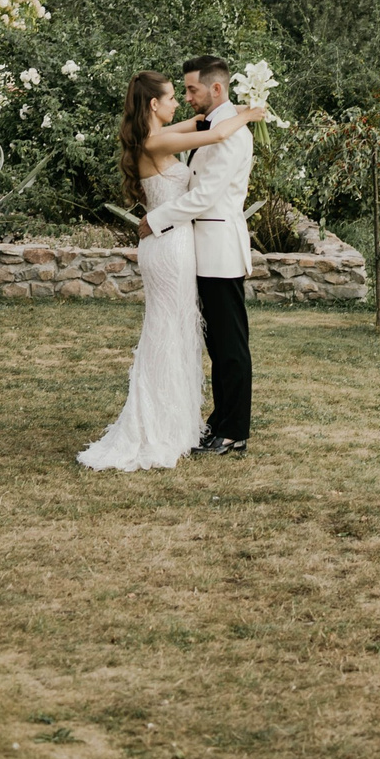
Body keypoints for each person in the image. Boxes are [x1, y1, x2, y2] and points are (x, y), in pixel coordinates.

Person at [77, 71, 267, 472]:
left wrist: (225, 112)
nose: (179, 101)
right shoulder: (156, 139)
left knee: (175, 332)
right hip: (169, 246)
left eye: (187, 92)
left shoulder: (151, 133)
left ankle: (178, 423)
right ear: (153, 105)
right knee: (169, 332)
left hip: (173, 245)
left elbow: (203, 124)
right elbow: (213, 135)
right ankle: (161, 424)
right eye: (171, 97)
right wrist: (249, 114)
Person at [139, 54, 255, 456]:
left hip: (219, 249)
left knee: (230, 347)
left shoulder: (234, 135)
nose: (188, 97)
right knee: (215, 346)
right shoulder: (218, 125)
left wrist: (158, 219)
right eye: (183, 90)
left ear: (216, 88)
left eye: (192, 89)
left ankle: (234, 432)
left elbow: (204, 196)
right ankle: (219, 423)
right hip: (199, 252)